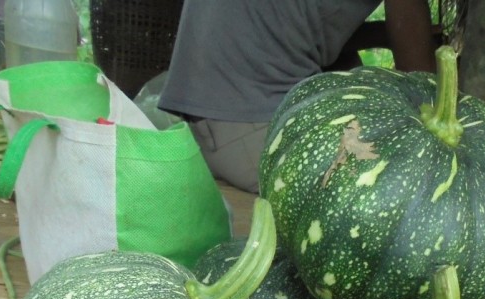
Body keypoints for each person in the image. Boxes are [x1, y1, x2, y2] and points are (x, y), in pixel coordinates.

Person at [158, 0, 438, 194]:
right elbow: (422, 91)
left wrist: (381, 35)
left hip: (206, 122)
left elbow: (304, 34)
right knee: (403, 185)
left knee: (349, 68)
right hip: (251, 133)